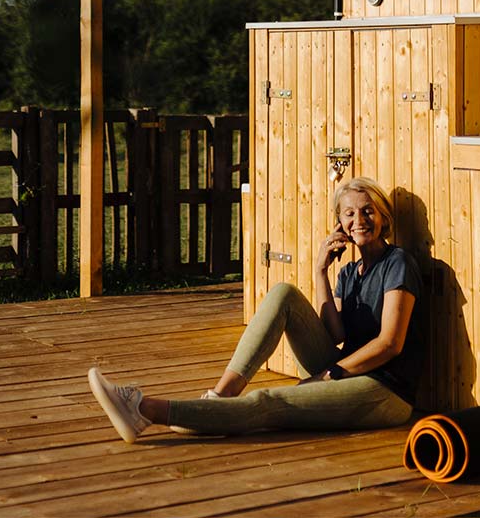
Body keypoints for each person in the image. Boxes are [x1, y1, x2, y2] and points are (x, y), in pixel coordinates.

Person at [87, 175, 426, 442]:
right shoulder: (350, 272)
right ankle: (220, 396)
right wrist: (320, 271)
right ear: (340, 223)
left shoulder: (397, 262)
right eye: (349, 213)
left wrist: (329, 375)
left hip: (384, 391)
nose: (359, 220)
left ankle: (143, 409)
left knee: (269, 402)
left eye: (368, 210)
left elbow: (389, 344)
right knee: (284, 293)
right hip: (346, 371)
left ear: (384, 217)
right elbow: (334, 334)